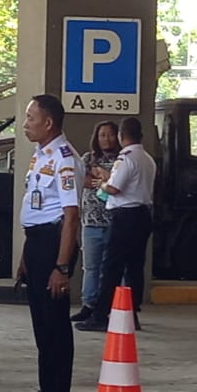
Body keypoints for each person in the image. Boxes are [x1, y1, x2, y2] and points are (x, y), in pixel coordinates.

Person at [8, 94, 81, 392]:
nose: (25, 124)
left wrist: (61, 267)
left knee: (54, 325)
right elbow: (36, 208)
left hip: (54, 244)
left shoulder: (65, 158)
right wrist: (26, 256)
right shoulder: (40, 156)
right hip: (38, 242)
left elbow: (70, 216)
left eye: (30, 117)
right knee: (41, 324)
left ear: (48, 122)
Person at [77, 115, 157, 333]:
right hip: (142, 215)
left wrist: (102, 182)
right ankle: (131, 313)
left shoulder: (126, 158)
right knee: (134, 268)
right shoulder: (147, 159)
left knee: (110, 267)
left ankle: (101, 315)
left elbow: (114, 188)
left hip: (124, 216)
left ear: (122, 137)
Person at [72, 121, 120, 326]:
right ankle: (88, 305)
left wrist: (101, 178)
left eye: (110, 135)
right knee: (90, 267)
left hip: (113, 221)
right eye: (102, 135)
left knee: (111, 269)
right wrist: (97, 179)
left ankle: (110, 308)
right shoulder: (87, 158)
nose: (106, 139)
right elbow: (80, 179)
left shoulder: (122, 160)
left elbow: (116, 183)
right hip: (90, 221)